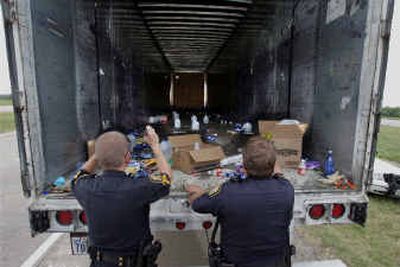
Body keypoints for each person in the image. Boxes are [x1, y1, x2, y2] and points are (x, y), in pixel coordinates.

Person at [186, 137, 294, 267]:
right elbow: (277, 173)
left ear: (243, 165)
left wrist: (197, 192)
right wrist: (268, 159)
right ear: (274, 163)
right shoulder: (286, 189)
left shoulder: (228, 192)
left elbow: (197, 204)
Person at [72, 126, 172, 267]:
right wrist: (155, 146)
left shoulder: (86, 188)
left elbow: (80, 176)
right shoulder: (138, 188)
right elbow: (165, 179)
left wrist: (98, 154)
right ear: (128, 157)